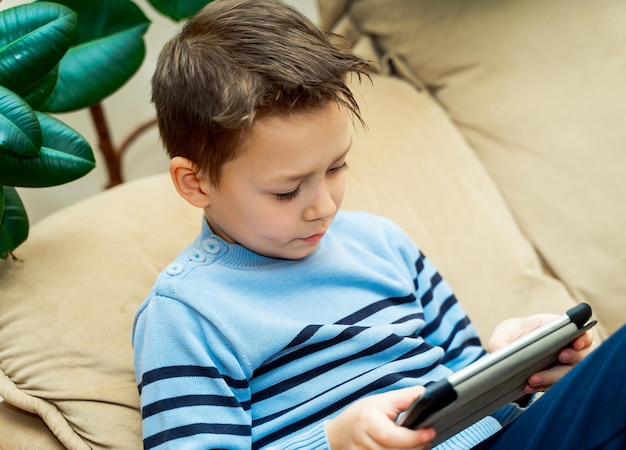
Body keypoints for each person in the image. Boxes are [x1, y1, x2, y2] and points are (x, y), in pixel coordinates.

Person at [133, 1, 624, 448]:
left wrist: (513, 369)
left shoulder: (383, 244)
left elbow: (460, 387)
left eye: (336, 167)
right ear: (195, 183)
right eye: (287, 191)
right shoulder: (186, 315)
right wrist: (335, 440)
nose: (323, 205)